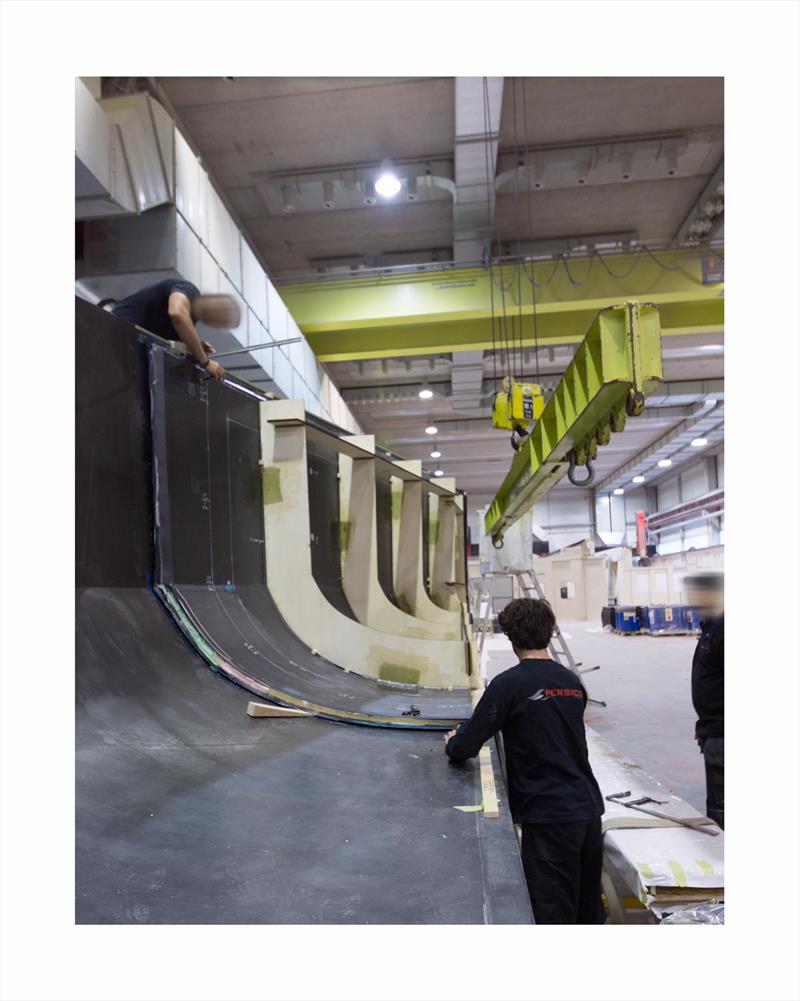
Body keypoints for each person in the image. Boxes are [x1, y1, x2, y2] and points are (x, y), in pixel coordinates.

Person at [444, 597, 605, 924]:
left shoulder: (508, 686)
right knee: (587, 912)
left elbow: (466, 747)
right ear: (549, 632)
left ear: (511, 637)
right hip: (588, 811)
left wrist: (452, 741)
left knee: (551, 914)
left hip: (549, 818)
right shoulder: (572, 683)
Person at [106, 278, 240, 382]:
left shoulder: (189, 321)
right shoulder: (189, 290)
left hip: (123, 345)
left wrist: (193, 347)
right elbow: (177, 313)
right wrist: (205, 361)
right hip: (113, 329)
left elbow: (165, 342)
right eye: (223, 319)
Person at [687, 572, 724, 829]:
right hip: (713, 731)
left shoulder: (725, 629)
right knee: (717, 804)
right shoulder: (710, 628)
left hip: (723, 735)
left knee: (723, 808)